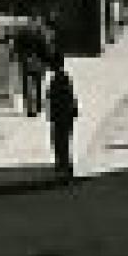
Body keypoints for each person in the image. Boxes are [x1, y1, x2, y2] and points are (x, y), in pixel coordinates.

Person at [45, 49, 79, 179]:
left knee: (59, 141)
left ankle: (63, 166)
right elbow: (71, 97)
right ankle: (65, 166)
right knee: (64, 141)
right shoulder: (64, 78)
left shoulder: (57, 81)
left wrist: (51, 114)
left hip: (60, 115)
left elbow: (53, 99)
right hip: (65, 115)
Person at [14, 18, 53, 117]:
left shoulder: (23, 32)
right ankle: (38, 106)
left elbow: (16, 46)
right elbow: (46, 48)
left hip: (25, 60)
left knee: (26, 84)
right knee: (38, 83)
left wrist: (19, 56)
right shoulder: (40, 33)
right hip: (37, 61)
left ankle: (28, 106)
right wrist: (47, 61)